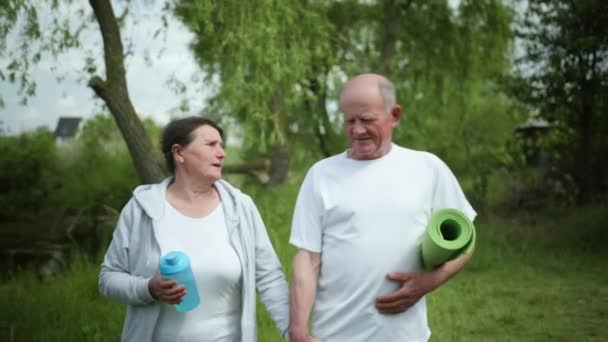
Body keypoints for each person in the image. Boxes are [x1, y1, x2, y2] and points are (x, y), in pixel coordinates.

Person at [288, 74, 477, 342]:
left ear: (395, 115)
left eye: (367, 120)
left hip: (404, 335)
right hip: (332, 334)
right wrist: (297, 330)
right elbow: (307, 258)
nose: (357, 130)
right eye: (349, 121)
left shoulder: (427, 168)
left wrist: (428, 283)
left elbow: (466, 242)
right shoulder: (321, 174)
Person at [99, 117, 289, 342]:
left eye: (221, 145)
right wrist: (148, 288)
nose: (221, 153)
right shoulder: (142, 209)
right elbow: (108, 277)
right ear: (179, 153)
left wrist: (293, 332)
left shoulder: (240, 208)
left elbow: (269, 278)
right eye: (211, 145)